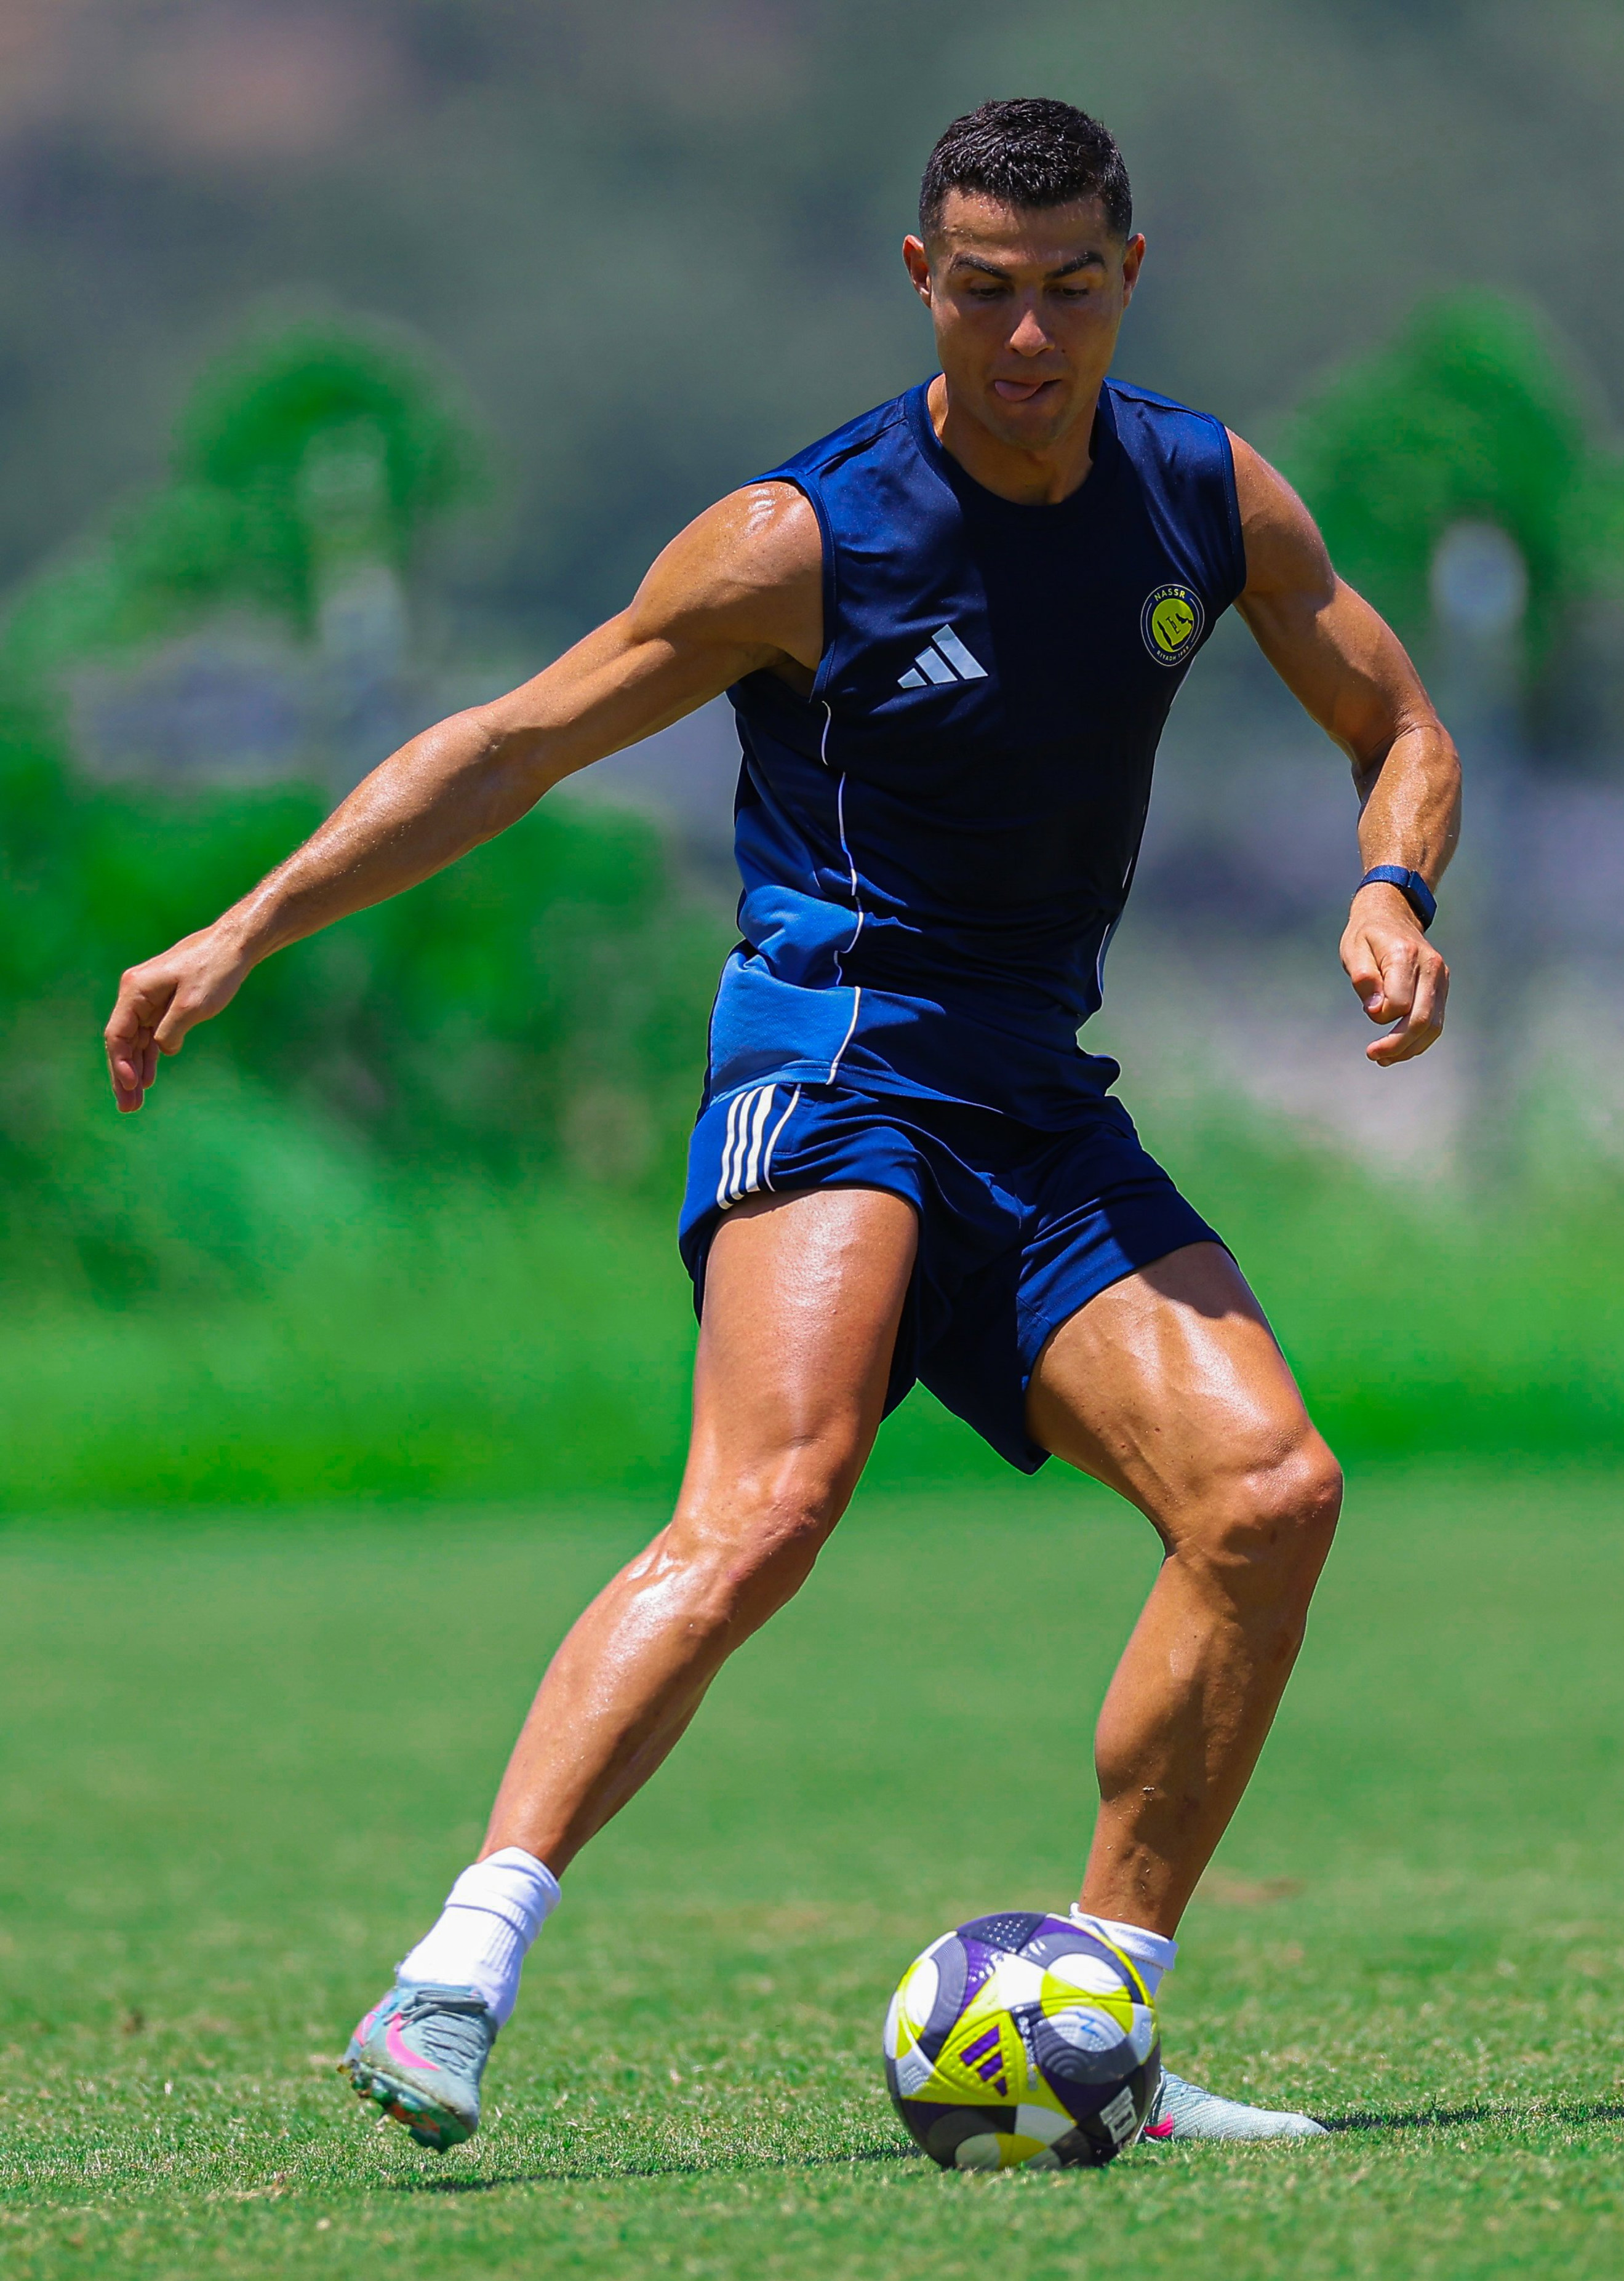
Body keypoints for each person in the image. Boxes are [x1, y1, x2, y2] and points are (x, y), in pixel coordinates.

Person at [102, 97, 1457, 2154]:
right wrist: (249, 922)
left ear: (1129, 279)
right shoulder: (798, 540)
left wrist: (1392, 884)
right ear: (923, 282)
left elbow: (1402, 724)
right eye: (987, 294)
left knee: (1268, 1498)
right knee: (773, 1499)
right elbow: (510, 741)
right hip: (833, 1055)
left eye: (1070, 291)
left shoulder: (1203, 496)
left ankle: (1099, 2025)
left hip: (1031, 1093)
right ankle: (451, 1975)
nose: (1028, 338)